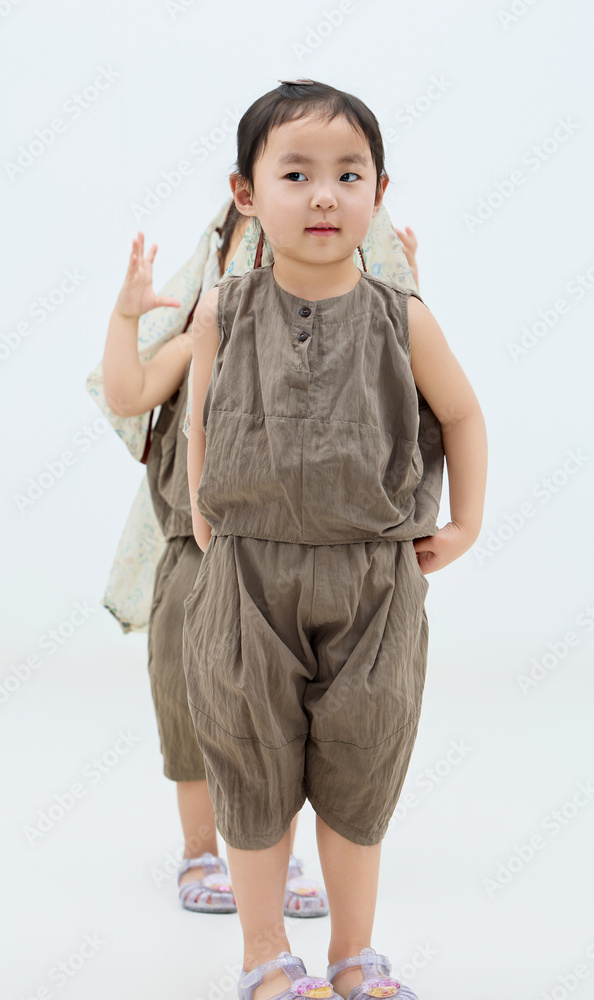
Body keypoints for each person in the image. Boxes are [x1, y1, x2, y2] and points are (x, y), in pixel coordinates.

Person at [183, 79, 487, 1000]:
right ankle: (264, 954)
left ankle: (354, 953)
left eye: (348, 175)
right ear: (245, 193)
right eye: (296, 174)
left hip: (373, 582)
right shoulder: (222, 310)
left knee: (362, 764)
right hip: (248, 576)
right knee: (250, 760)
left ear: (378, 192)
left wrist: (464, 522)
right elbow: (202, 417)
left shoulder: (403, 316)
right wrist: (203, 513)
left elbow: (462, 415)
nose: (324, 195)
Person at [101, 199, 422, 920]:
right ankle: (200, 851)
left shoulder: (328, 341)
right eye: (242, 256)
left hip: (289, 548)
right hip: (199, 542)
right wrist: (126, 317)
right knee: (190, 692)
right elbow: (127, 393)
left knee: (280, 711)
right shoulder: (209, 333)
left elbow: (399, 384)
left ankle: (271, 857)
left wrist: (406, 285)